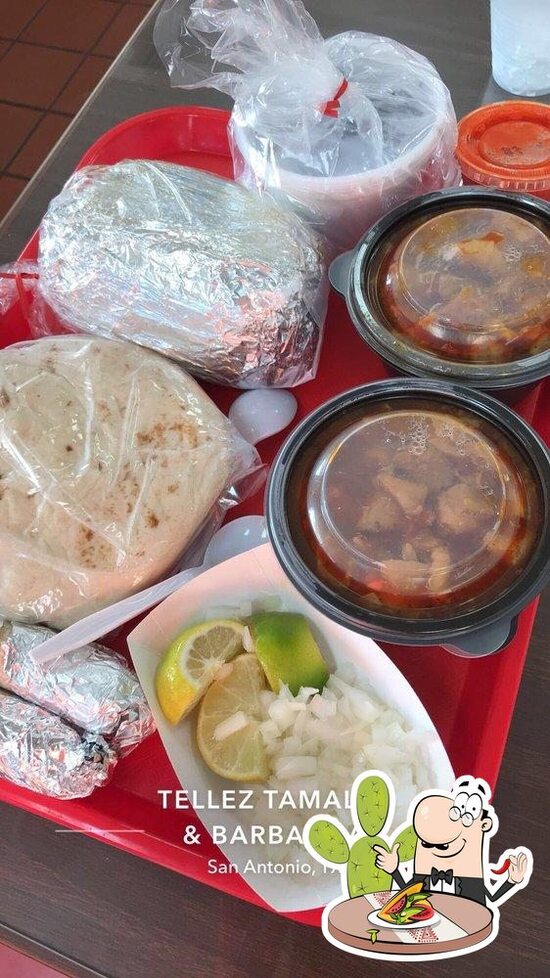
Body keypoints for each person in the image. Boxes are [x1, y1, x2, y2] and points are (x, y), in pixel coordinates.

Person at [374, 776, 531, 905]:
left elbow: (491, 898)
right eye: (427, 844)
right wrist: (393, 869)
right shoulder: (423, 871)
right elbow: (407, 891)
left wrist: (512, 880)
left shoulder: (471, 878)